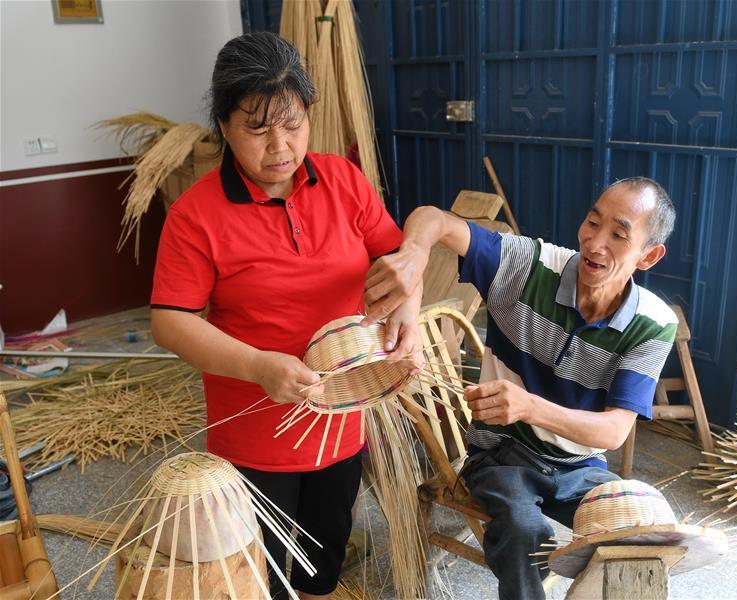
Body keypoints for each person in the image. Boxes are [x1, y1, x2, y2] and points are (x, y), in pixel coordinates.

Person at [150, 32, 420, 600]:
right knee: (264, 574)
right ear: (223, 126)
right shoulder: (196, 214)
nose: (280, 145)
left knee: (323, 561)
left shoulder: (343, 181)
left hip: (344, 414)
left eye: (293, 123)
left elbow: (398, 264)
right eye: (257, 128)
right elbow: (171, 321)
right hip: (255, 428)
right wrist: (257, 366)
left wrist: (407, 317)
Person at [364, 177, 678, 599]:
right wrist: (413, 260)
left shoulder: (653, 325)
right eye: (592, 221)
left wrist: (530, 407)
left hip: (580, 468)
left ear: (649, 255)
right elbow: (431, 219)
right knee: (524, 529)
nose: (595, 242)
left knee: (644, 528)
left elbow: (613, 432)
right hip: (500, 456)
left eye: (619, 235)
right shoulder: (529, 267)